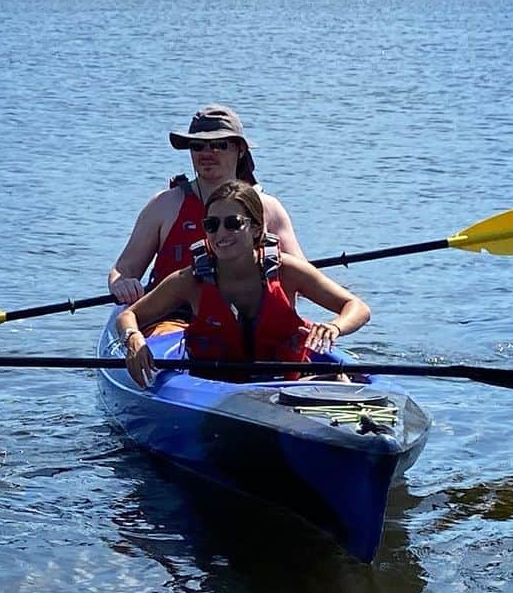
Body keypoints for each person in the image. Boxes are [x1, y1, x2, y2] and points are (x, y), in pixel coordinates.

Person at [114, 180, 370, 389]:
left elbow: (356, 307)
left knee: (338, 380)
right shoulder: (190, 280)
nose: (220, 234)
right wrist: (133, 337)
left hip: (287, 389)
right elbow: (129, 315)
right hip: (214, 392)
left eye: (233, 223)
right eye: (211, 225)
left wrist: (335, 327)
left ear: (256, 228)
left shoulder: (287, 270)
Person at [108, 104, 303, 305]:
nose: (207, 153)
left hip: (247, 318)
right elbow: (125, 270)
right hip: (171, 319)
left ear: (241, 150)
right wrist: (122, 284)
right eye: (198, 146)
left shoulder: (268, 209)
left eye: (219, 144)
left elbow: (301, 276)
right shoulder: (163, 205)